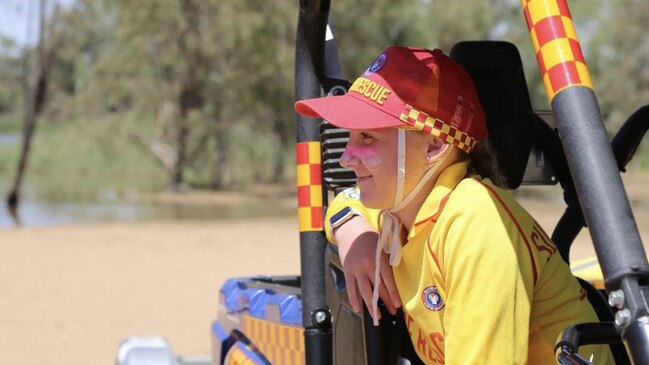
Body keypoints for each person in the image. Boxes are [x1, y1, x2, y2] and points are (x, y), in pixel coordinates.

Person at [295, 46, 612, 364]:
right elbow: (346, 201)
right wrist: (352, 227)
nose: (346, 157)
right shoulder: (405, 209)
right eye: (350, 137)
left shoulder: (474, 223)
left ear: (434, 145)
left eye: (367, 137)